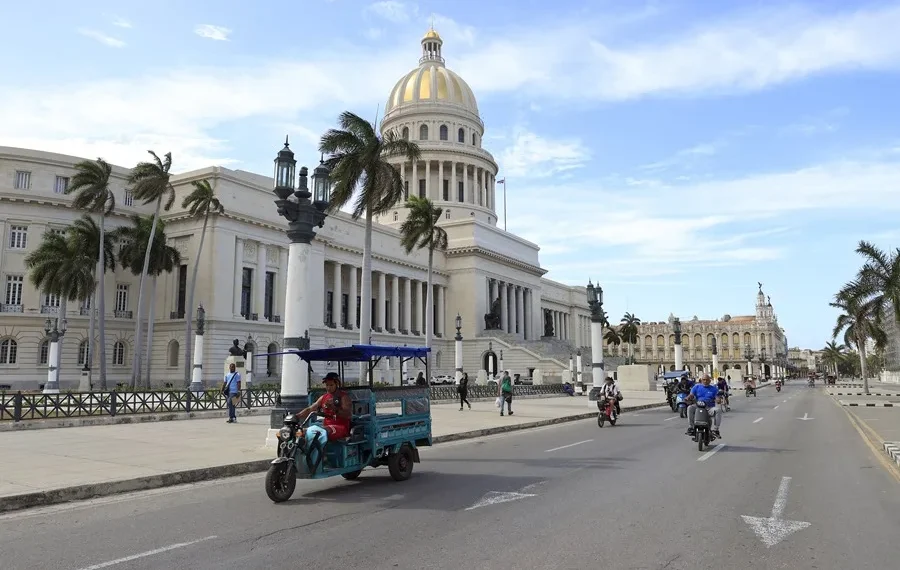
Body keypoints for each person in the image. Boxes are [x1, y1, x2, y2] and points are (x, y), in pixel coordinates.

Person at [292, 372, 353, 468]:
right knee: (302, 432)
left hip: (341, 427)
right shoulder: (324, 397)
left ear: (337, 384)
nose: (328, 388)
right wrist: (297, 416)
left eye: (331, 385)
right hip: (326, 426)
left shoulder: (343, 397)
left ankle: (323, 458)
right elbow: (310, 408)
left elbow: (348, 415)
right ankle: (306, 455)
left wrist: (334, 408)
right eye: (327, 385)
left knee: (321, 432)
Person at [685, 373, 723, 438]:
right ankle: (691, 427)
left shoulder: (713, 389)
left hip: (709, 408)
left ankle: (716, 430)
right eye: (704, 380)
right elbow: (691, 395)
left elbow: (717, 397)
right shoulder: (696, 387)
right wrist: (688, 398)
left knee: (718, 410)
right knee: (690, 408)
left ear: (710, 381)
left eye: (707, 380)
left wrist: (718, 400)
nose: (705, 381)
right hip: (698, 407)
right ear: (701, 380)